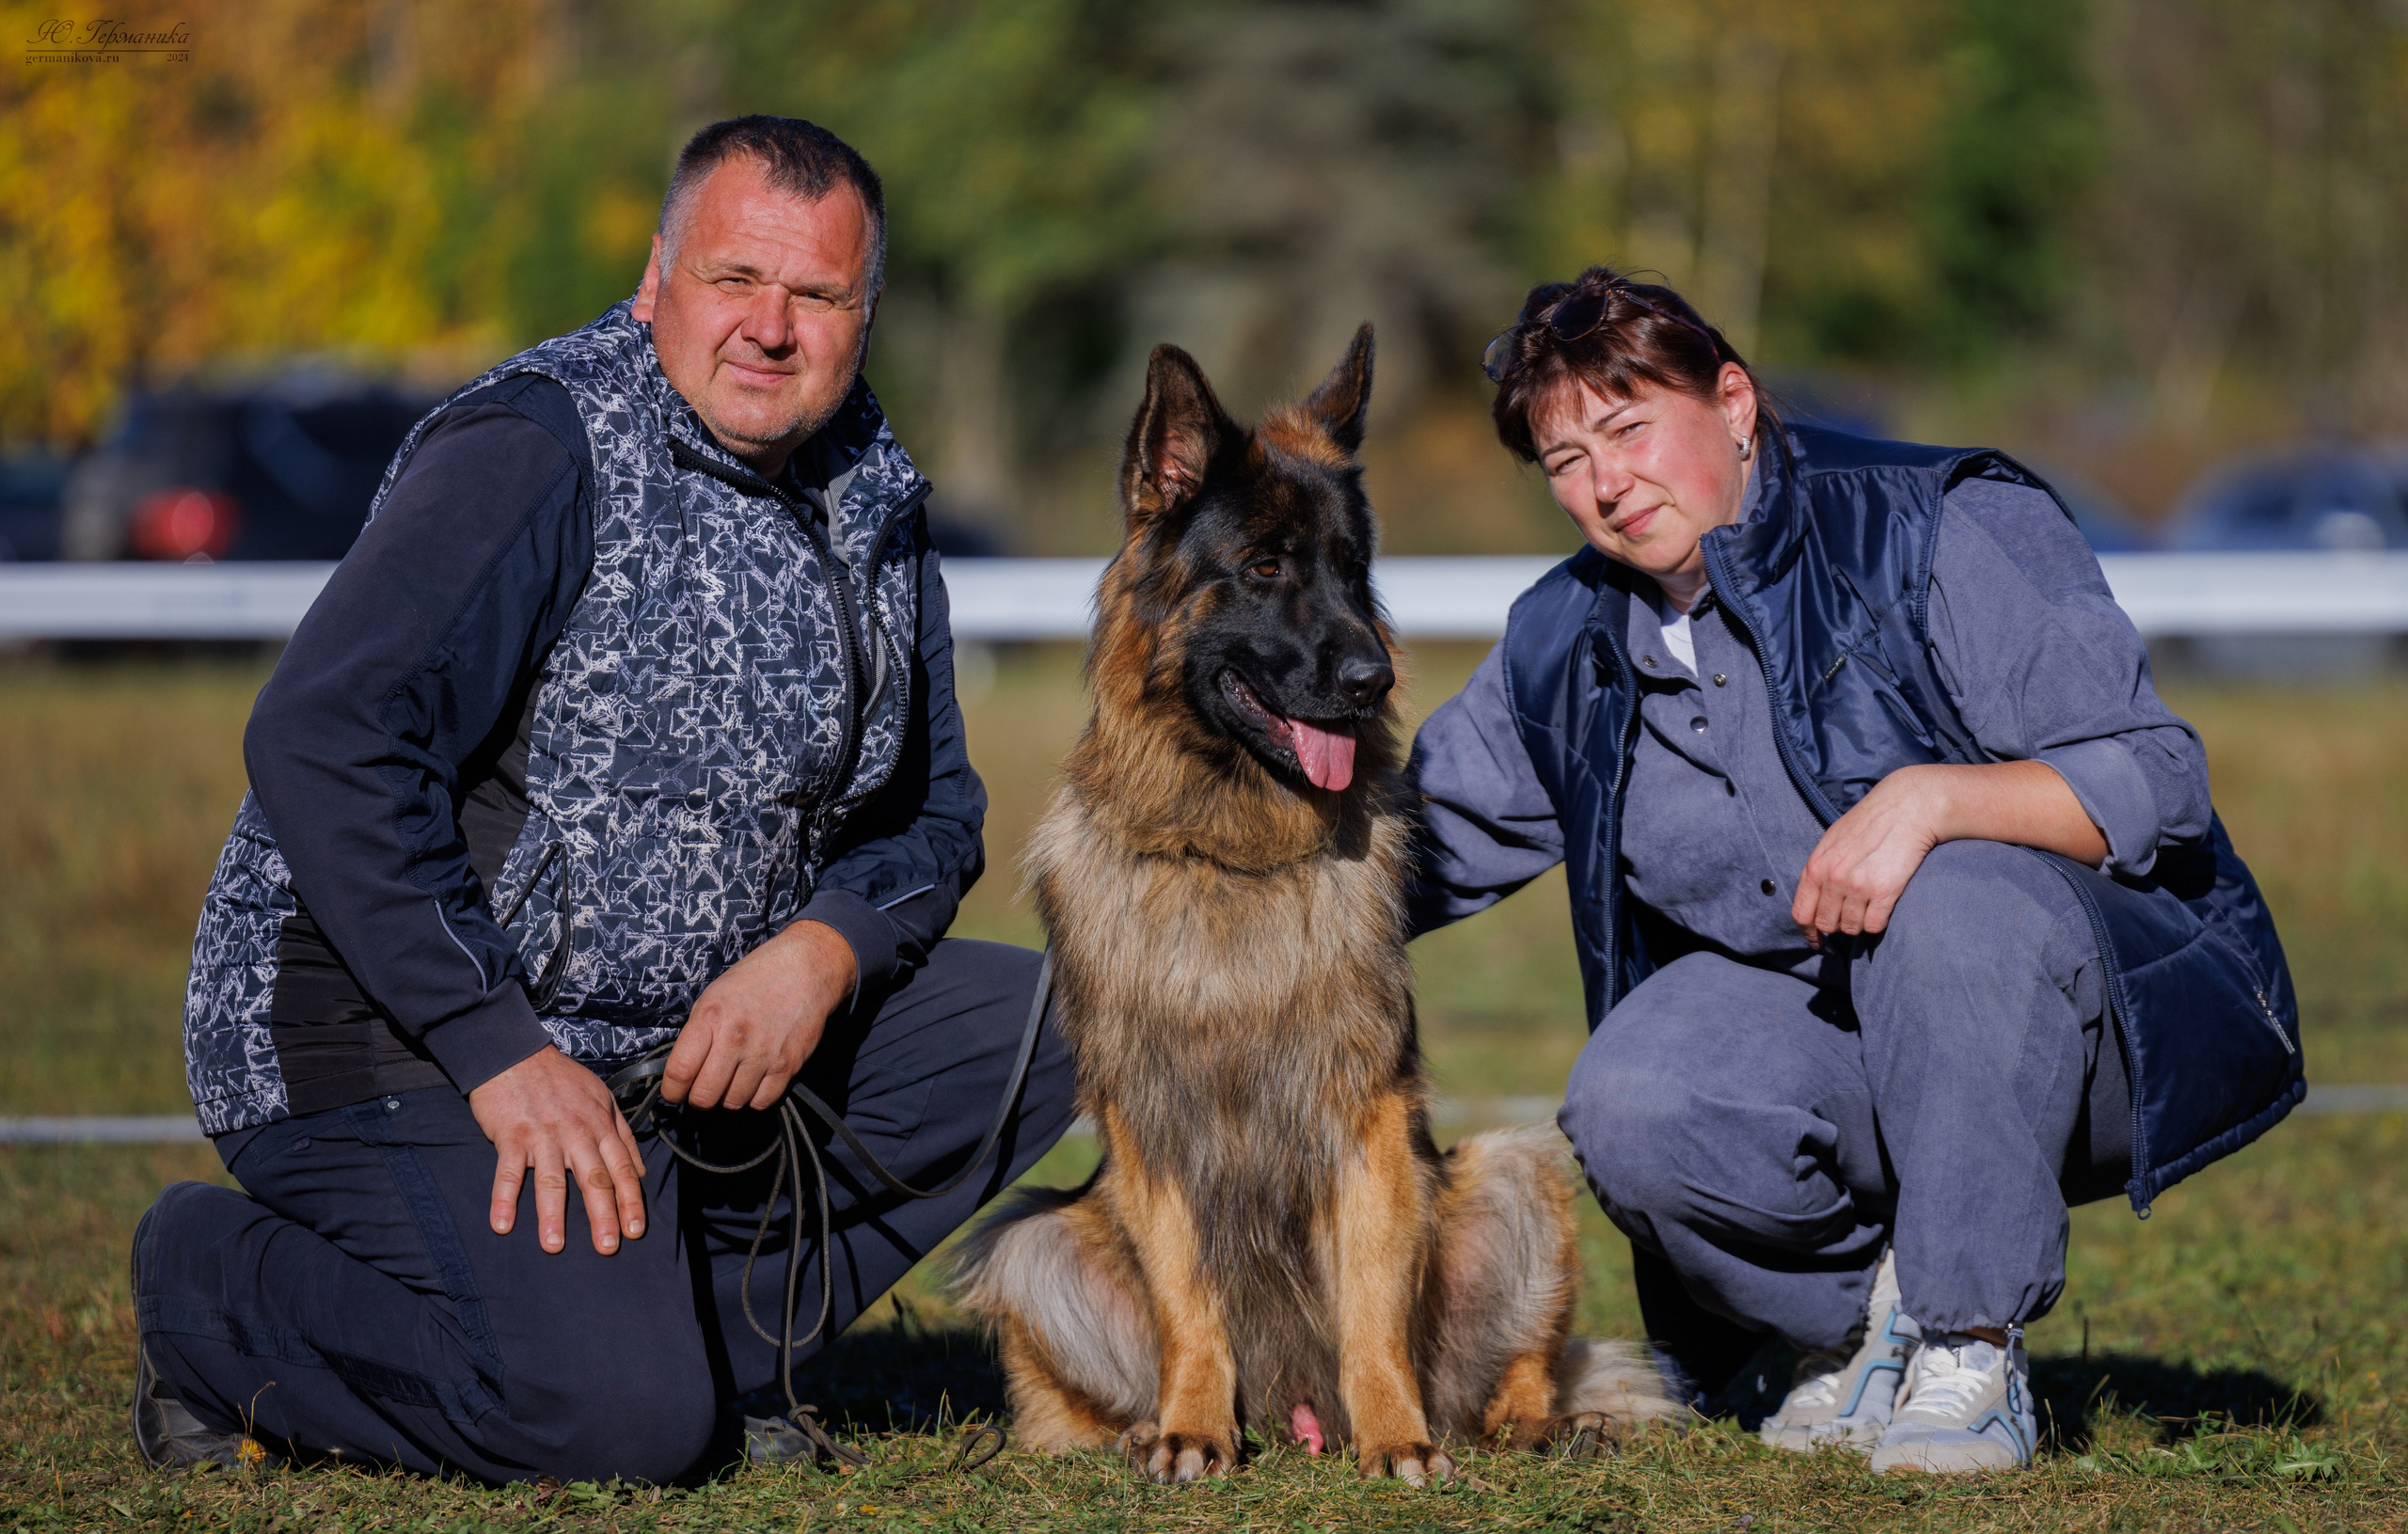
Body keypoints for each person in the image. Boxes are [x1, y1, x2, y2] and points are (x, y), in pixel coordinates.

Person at [131, 116, 1076, 1484]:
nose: (770, 327)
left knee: (1067, 1014)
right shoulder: (536, 445)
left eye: (815, 294)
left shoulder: (875, 487)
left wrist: (822, 952)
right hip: (393, 1031)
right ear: (655, 277)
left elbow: (932, 817)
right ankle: (208, 1287)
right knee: (613, 1425)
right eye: (734, 277)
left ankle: (716, 1354)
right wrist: (495, 1042)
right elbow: (323, 735)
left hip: (669, 1049)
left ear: (864, 316)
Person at [1407, 266, 2303, 1473]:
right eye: (1566, 460)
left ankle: (1967, 1345)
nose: (1605, 483)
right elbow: (1405, 849)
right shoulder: (1562, 636)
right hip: (1823, 1058)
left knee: (1951, 895)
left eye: (1628, 429)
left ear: (1732, 403)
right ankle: (1856, 1326)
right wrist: (1196, 885)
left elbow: (2158, 775)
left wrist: (1934, 797)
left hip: (2073, 1025)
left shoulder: (1932, 524)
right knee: (1631, 1092)